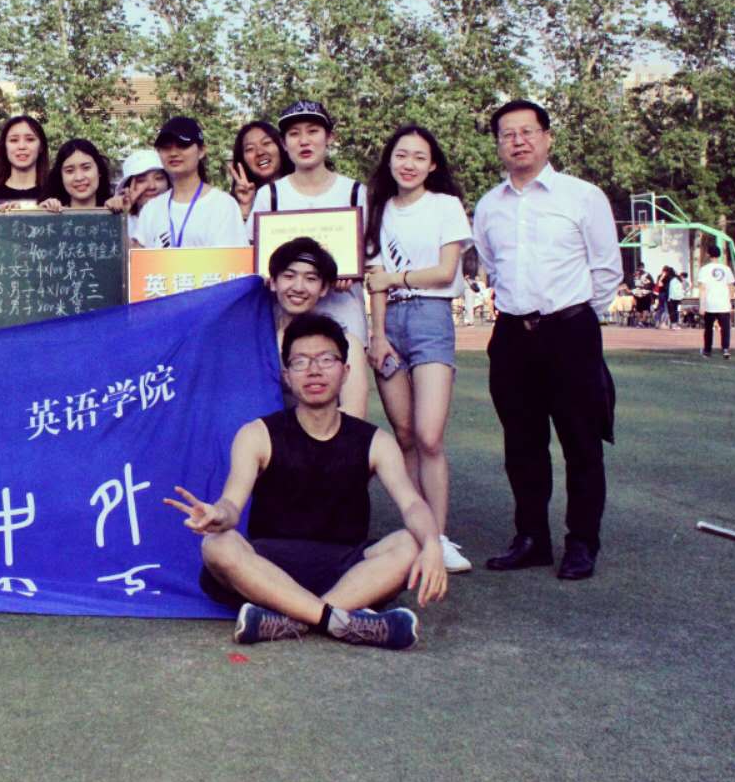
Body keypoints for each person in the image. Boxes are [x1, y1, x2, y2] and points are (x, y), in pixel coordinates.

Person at [165, 312, 446, 650]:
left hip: (348, 569)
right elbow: (231, 504)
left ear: (345, 371)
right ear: (286, 376)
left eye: (326, 360)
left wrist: (432, 543)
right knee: (217, 545)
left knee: (411, 543)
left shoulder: (375, 441)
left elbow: (412, 504)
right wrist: (218, 515)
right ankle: (341, 621)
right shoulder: (257, 434)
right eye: (300, 362)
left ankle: (291, 619)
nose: (314, 370)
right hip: (268, 568)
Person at [473, 100, 620, 581]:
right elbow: (492, 266)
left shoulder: (583, 197)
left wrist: (575, 318)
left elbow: (606, 270)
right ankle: (532, 538)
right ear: (498, 144)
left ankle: (582, 542)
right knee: (521, 444)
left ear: (547, 137)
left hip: (570, 332)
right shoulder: (489, 206)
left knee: (581, 443)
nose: (518, 141)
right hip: (512, 336)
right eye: (507, 134)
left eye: (527, 131)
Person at [361, 125, 474, 573]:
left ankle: (438, 540)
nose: (408, 164)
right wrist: (377, 334)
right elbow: (374, 281)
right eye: (401, 155)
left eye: (419, 157)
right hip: (390, 324)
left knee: (428, 435)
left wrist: (396, 279)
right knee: (404, 435)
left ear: (432, 165)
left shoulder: (445, 206)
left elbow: (446, 272)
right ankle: (418, 534)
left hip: (431, 319)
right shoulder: (378, 209)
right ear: (390, 160)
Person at [247, 101, 369, 345]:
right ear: (284, 144)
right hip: (285, 320)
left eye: (313, 131)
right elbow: (253, 257)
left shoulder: (355, 192)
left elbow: (373, 258)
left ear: (330, 137)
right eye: (294, 134)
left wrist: (352, 271)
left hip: (344, 313)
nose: (304, 141)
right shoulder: (270, 195)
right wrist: (267, 274)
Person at [266, 238, 369, 418]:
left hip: (329, 434)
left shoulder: (348, 343)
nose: (298, 287)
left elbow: (354, 411)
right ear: (273, 282)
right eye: (289, 276)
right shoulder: (260, 343)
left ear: (324, 288)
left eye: (310, 279)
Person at [132, 117, 247, 249]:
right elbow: (136, 258)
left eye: (182, 145)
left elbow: (232, 259)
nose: (173, 153)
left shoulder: (223, 205)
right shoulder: (151, 209)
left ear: (201, 151)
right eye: (166, 147)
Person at [229, 120, 286, 223]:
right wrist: (245, 208)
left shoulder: (303, 191)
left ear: (282, 146)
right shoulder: (229, 205)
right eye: (250, 149)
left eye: (266, 143)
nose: (260, 152)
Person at [0, 115, 50, 206]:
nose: (21, 146)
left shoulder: (56, 191)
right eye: (14, 140)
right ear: (4, 147)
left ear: (41, 147)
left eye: (30, 139)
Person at [42, 138, 114, 212]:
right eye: (69, 171)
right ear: (60, 177)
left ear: (99, 170)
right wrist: (40, 213)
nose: (79, 178)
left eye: (86, 168)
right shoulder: (49, 214)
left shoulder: (116, 211)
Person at [114, 149, 169, 243]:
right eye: (141, 180)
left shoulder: (181, 215)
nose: (152, 186)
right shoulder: (120, 220)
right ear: (128, 186)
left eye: (159, 178)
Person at [697, 243, 735, 359]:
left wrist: (702, 305)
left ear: (708, 254)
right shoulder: (726, 269)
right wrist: (730, 301)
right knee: (725, 328)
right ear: (719, 255)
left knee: (708, 328)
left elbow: (702, 288)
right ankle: (725, 349)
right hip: (723, 303)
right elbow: (731, 287)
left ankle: (707, 350)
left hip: (710, 303)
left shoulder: (704, 269)